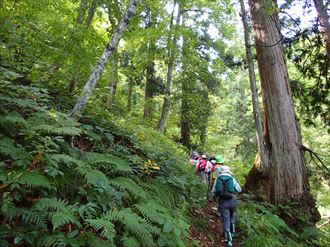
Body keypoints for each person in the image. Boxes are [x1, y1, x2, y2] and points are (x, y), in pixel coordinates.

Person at [212, 165, 241, 247]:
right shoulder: (232, 178)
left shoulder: (218, 179)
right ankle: (233, 228)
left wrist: (214, 198)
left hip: (222, 202)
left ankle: (229, 239)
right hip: (232, 200)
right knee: (233, 214)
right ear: (228, 171)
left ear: (221, 171)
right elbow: (239, 189)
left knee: (225, 218)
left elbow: (213, 191)